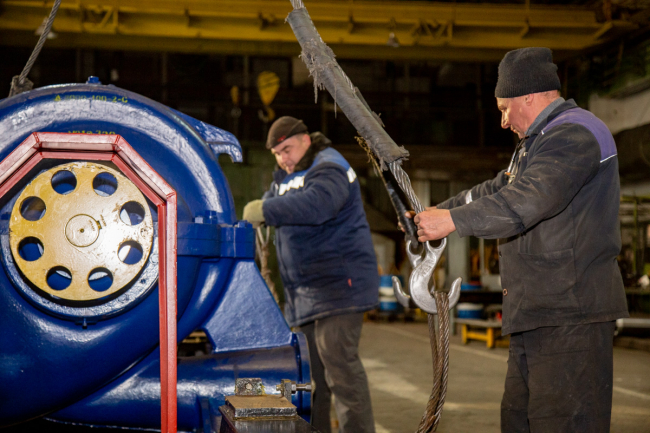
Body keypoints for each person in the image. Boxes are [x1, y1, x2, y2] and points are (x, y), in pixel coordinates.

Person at [410, 47, 629, 432]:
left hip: (570, 316)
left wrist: (452, 221)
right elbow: (493, 191)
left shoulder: (575, 135)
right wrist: (434, 213)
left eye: (504, 108)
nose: (503, 121)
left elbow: (527, 201)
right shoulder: (536, 143)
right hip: (538, 312)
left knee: (563, 424)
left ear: (528, 96)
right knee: (518, 420)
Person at [243, 116, 379, 433]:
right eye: (277, 154)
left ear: (306, 140)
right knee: (311, 378)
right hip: (304, 294)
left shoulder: (329, 166)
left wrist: (267, 210)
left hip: (338, 289)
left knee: (341, 372)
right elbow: (275, 200)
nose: (283, 159)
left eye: (287, 150)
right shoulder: (286, 177)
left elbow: (319, 205)